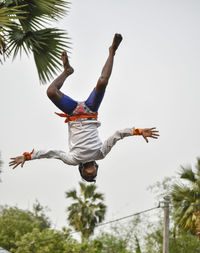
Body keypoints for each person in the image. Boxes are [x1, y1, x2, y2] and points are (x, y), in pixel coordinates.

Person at [9, 33, 159, 182]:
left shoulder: (73, 159)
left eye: (87, 175)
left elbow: (51, 153)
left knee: (50, 92)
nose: (90, 173)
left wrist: (28, 156)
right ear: (96, 168)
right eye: (93, 175)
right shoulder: (101, 154)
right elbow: (117, 135)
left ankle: (67, 71)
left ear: (81, 170)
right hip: (90, 111)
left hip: (73, 113)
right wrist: (138, 132)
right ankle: (112, 52)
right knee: (102, 82)